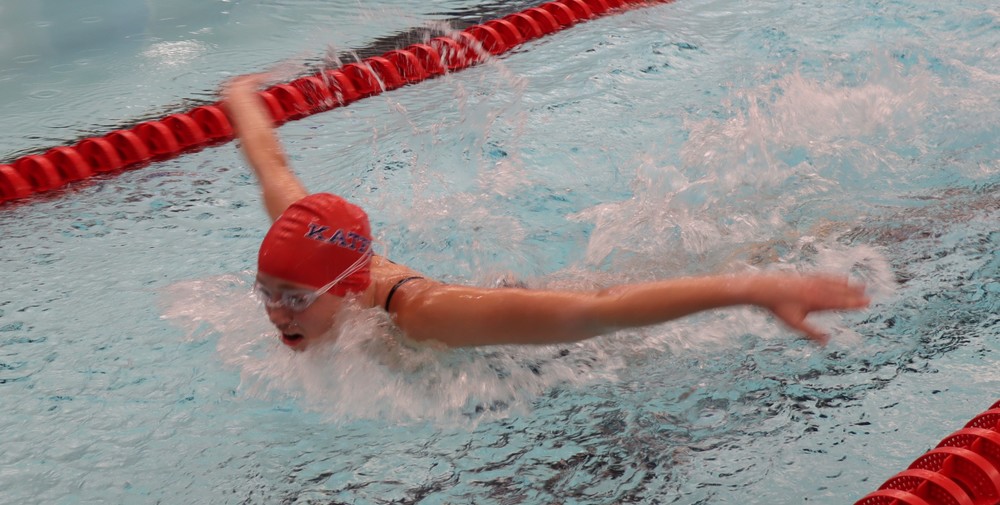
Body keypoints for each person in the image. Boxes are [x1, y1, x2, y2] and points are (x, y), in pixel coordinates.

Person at [222, 74, 870, 351]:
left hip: (548, 356)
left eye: (294, 299)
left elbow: (598, 311)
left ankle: (795, 255)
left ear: (351, 284)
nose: (276, 311)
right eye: (268, 292)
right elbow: (271, 165)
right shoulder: (307, 243)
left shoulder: (425, 314)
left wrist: (753, 290)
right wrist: (238, 95)